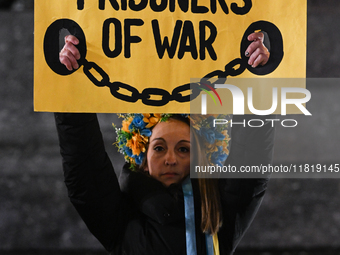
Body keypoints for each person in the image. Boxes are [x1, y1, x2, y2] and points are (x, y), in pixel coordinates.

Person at [56, 33, 274, 255]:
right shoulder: (119, 219)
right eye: (159, 148)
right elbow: (85, 169)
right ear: (143, 154)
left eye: (183, 149)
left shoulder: (217, 211)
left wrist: (259, 78)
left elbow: (251, 158)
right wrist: (73, 83)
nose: (171, 159)